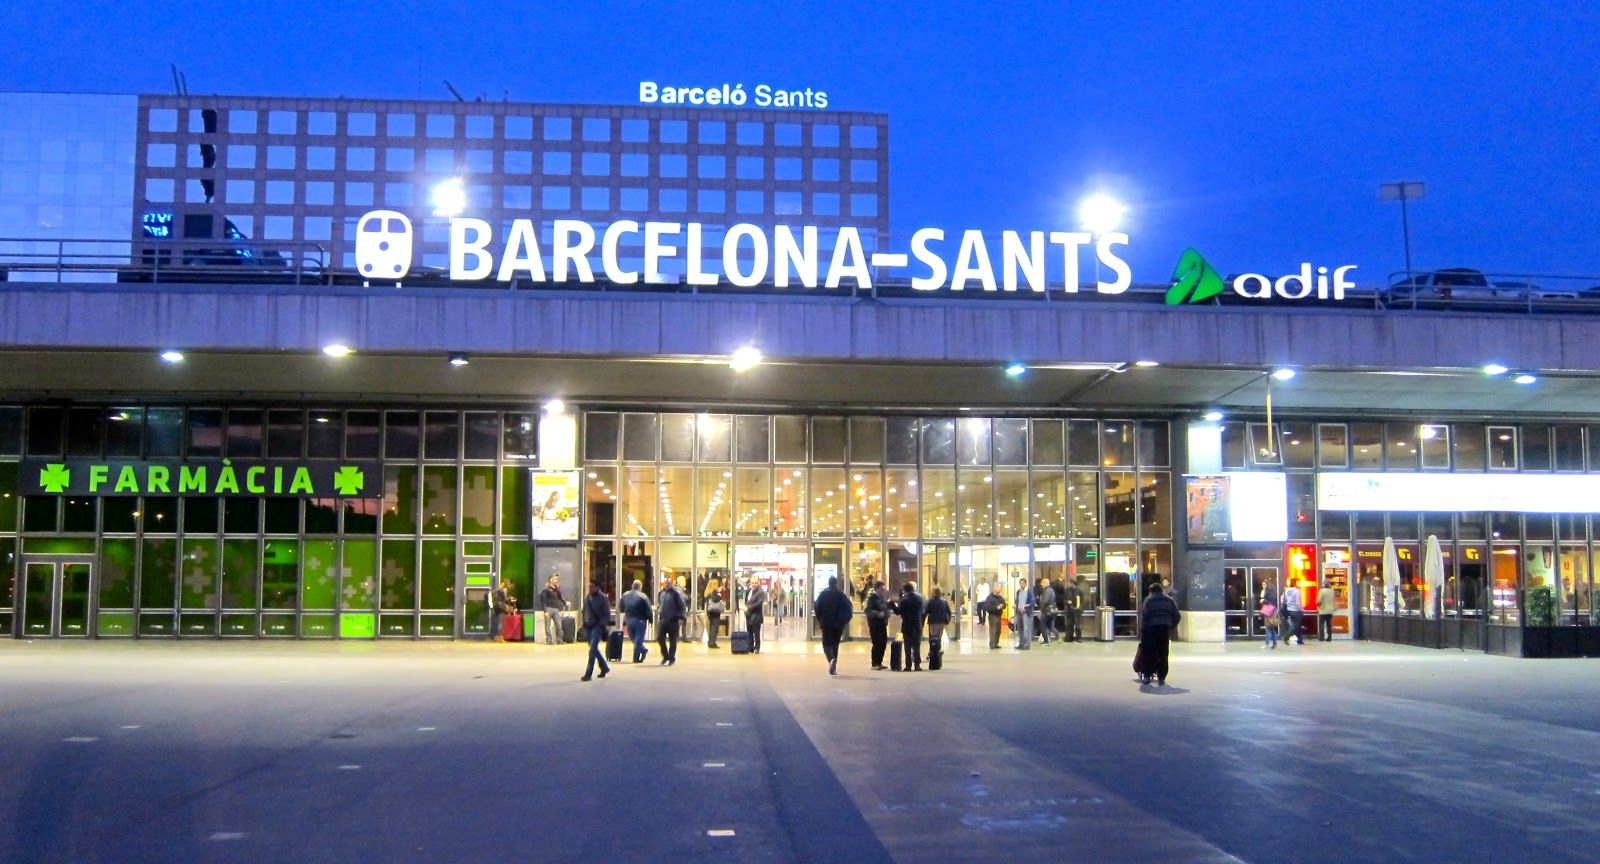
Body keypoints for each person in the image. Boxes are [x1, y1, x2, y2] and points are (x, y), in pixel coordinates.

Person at [1135, 582, 1182, 686]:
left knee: (1149, 653)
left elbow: (1145, 615)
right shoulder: (1170, 600)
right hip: (1164, 629)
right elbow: (1177, 616)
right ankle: (1161, 677)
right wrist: (1170, 626)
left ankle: (1147, 676)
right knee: (1163, 653)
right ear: (1161, 590)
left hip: (1151, 629)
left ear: (1151, 591)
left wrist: (1143, 630)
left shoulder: (1149, 600)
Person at [814, 575, 854, 675]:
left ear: (828, 583)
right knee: (835, 644)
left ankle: (831, 659)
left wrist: (820, 620)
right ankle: (834, 663)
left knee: (826, 644)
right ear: (836, 583)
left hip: (826, 623)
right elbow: (848, 608)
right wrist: (843, 621)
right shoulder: (841, 595)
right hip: (838, 624)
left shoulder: (823, 594)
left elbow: (817, 607)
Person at [580, 581, 612, 682]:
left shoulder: (603, 598)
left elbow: (606, 614)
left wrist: (601, 624)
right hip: (588, 626)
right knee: (594, 650)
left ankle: (588, 673)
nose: (590, 588)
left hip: (597, 626)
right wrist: (583, 623)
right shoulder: (587, 597)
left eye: (592, 587)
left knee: (592, 650)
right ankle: (604, 667)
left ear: (597, 587)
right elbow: (584, 610)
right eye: (589, 586)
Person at [891, 581, 925, 671]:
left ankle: (908, 666)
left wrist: (892, 605)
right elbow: (922, 611)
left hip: (907, 626)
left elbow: (898, 612)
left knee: (907, 647)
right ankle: (917, 665)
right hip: (917, 625)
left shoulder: (904, 600)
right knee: (916, 646)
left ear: (904, 590)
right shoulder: (919, 599)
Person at [656, 575, 687, 665]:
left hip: (673, 620)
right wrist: (659, 610)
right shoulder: (661, 593)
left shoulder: (676, 593)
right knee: (660, 638)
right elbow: (660, 604)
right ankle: (665, 656)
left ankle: (671, 658)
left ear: (672, 583)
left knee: (673, 640)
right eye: (666, 583)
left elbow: (682, 606)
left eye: (669, 583)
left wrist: (681, 617)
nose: (667, 584)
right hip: (663, 619)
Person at [620, 579, 652, 663]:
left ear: (632, 586)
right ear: (640, 587)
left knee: (632, 637)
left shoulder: (625, 595)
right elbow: (648, 609)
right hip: (640, 620)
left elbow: (621, 607)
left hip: (629, 619)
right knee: (638, 639)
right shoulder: (643, 596)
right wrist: (650, 619)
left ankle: (642, 650)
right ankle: (636, 657)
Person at [865, 579, 892, 670]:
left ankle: (879, 662)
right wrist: (878, 614)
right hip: (875, 624)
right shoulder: (872, 598)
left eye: (883, 589)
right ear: (876, 589)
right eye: (881, 589)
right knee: (876, 643)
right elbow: (868, 610)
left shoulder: (882, 599)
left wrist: (887, 613)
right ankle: (875, 663)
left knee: (883, 643)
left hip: (882, 624)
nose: (883, 591)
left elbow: (886, 607)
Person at [924, 586, 952, 669]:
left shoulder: (930, 601)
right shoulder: (944, 602)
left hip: (932, 621)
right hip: (941, 622)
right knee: (938, 638)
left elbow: (926, 611)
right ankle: (937, 652)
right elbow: (948, 612)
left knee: (932, 638)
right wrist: (947, 620)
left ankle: (932, 652)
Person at [539, 574, 567, 645]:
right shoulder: (546, 589)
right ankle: (549, 640)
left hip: (556, 609)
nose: (556, 581)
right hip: (548, 609)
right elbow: (543, 601)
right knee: (547, 625)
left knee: (559, 625)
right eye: (555, 579)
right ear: (550, 580)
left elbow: (560, 597)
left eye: (557, 579)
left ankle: (560, 640)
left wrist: (566, 602)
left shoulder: (557, 589)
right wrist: (545, 611)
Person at [744, 578, 767, 654]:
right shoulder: (748, 591)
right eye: (753, 583)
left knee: (756, 633)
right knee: (749, 632)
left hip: (756, 615)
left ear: (759, 583)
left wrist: (749, 608)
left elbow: (758, 603)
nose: (754, 584)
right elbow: (746, 601)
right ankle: (750, 647)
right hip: (748, 615)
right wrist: (745, 607)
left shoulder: (761, 592)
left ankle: (757, 648)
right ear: (750, 583)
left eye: (756, 583)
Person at [982, 580, 1006, 649]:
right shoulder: (990, 598)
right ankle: (992, 644)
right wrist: (996, 607)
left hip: (999, 616)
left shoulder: (1000, 597)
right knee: (993, 630)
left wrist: (1002, 606)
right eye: (998, 588)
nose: (999, 589)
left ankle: (996, 643)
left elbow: (1004, 604)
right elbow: (987, 608)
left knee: (998, 631)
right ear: (994, 589)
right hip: (993, 616)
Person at [1281, 580, 1305, 646]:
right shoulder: (1297, 591)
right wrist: (1301, 609)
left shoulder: (1287, 590)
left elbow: (1283, 599)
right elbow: (1298, 602)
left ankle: (1300, 640)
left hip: (1289, 610)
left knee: (1296, 625)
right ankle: (1287, 636)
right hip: (1296, 610)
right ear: (1295, 583)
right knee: (1296, 626)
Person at [1014, 579, 1035, 650]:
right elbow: (1017, 600)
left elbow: (1032, 602)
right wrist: (1015, 605)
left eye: (1022, 583)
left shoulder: (1029, 592)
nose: (1021, 584)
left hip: (1026, 613)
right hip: (1019, 613)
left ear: (1026, 583)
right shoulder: (1018, 592)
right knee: (1020, 629)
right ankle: (1021, 644)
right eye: (1020, 583)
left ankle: (1027, 645)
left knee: (1027, 629)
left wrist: (1025, 606)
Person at [1060, 577, 1084, 643]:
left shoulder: (1079, 591)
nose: (1067, 584)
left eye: (1068, 582)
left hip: (1077, 610)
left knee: (1077, 625)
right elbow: (1064, 600)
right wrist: (1067, 602)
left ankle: (1079, 638)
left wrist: (1080, 607)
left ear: (1072, 583)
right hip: (1069, 610)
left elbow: (1082, 601)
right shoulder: (1066, 590)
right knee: (1069, 625)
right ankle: (1069, 638)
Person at [704, 578, 724, 649]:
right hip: (715, 612)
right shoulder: (714, 591)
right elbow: (715, 599)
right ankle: (712, 643)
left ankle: (711, 642)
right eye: (716, 583)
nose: (717, 585)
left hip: (710, 612)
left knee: (712, 627)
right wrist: (719, 594)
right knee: (714, 628)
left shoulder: (708, 591)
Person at [1035, 577, 1057, 644]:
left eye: (1042, 583)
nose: (1041, 584)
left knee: (1043, 626)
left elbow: (1045, 601)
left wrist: (1041, 608)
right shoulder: (1050, 590)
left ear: (1045, 583)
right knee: (1050, 627)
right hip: (1050, 611)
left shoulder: (1047, 590)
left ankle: (1046, 641)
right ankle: (1056, 638)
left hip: (1046, 611)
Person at [1260, 578, 1280, 650]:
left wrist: (1263, 600)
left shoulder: (1269, 592)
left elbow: (1270, 602)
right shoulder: (1267, 591)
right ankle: (1274, 643)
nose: (1263, 585)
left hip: (1269, 612)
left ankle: (1267, 643)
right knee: (1271, 629)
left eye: (1265, 584)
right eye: (1262, 584)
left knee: (1268, 628)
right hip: (1269, 611)